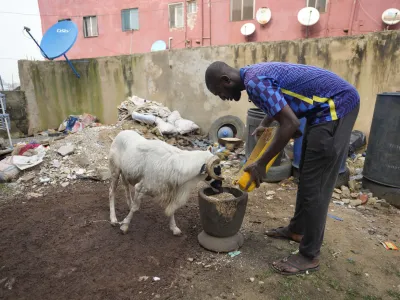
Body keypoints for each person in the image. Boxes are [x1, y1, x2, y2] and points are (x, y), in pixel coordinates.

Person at [204, 61, 360, 275]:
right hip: (321, 112)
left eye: (219, 92)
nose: (223, 97)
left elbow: (291, 124)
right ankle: (297, 230)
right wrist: (266, 123)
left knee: (317, 187)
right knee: (307, 175)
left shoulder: (254, 82)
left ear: (226, 80)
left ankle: (309, 255)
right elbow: (279, 101)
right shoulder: (252, 75)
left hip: (337, 106)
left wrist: (260, 164)